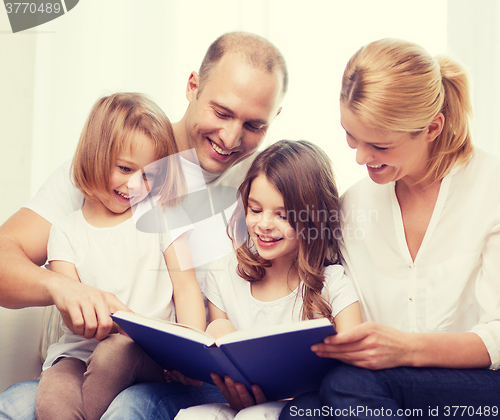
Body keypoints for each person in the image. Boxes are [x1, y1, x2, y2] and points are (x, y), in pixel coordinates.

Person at [0, 31, 287, 420]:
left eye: (254, 125)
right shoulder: (106, 167)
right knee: (15, 406)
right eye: (221, 112)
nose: (231, 137)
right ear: (192, 86)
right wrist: (60, 285)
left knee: (129, 407)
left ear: (274, 120)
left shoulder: (263, 195)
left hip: (181, 375)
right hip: (87, 362)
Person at [279, 38, 500, 420]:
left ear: (432, 128)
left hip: (483, 386)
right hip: (385, 393)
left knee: (348, 386)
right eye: (352, 138)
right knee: (300, 412)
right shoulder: (352, 209)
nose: (362, 157)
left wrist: (406, 349)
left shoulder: (491, 189)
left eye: (380, 146)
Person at [34, 92, 206, 420]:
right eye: (125, 168)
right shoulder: (65, 231)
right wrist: (111, 313)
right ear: (95, 155)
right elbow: (73, 315)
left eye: (148, 175)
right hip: (77, 354)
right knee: (54, 398)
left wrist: (189, 356)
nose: (134, 184)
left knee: (115, 352)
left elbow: (187, 291)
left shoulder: (163, 214)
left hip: (146, 354)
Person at [175, 140, 362, 420]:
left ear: (312, 219)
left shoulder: (332, 285)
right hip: (237, 405)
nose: (264, 225)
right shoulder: (224, 274)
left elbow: (353, 373)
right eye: (255, 209)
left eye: (283, 215)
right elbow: (222, 360)